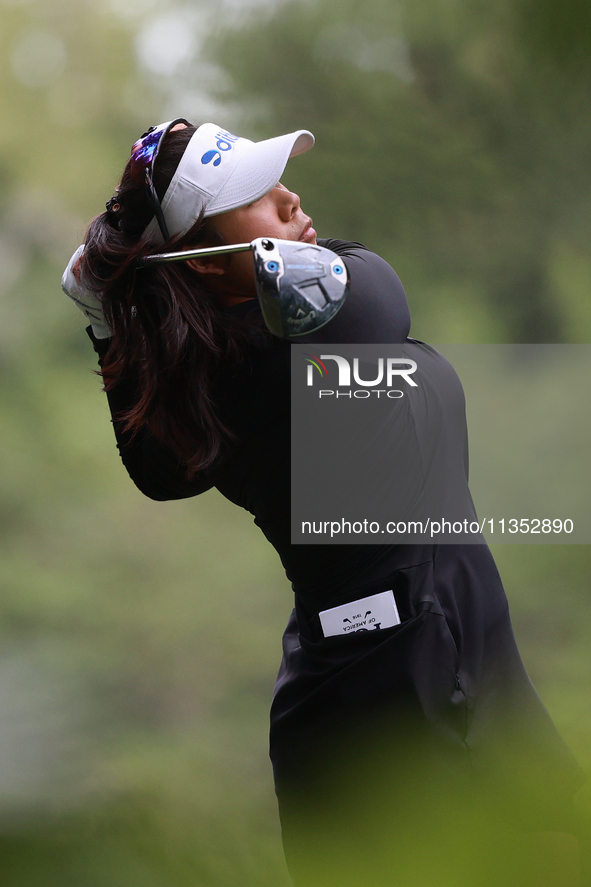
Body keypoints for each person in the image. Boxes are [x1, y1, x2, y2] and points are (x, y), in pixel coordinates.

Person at [62, 119, 585, 886]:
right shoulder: (274, 353)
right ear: (201, 261)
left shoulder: (216, 364)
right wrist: (112, 312)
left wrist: (106, 319)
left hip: (400, 663)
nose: (288, 199)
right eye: (255, 197)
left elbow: (157, 468)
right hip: (405, 693)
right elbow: (379, 298)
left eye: (277, 183)